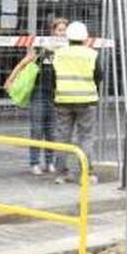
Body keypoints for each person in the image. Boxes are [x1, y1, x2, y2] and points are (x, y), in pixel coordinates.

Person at [4, 17, 67, 175]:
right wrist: (10, 80)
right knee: (37, 130)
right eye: (59, 30)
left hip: (55, 94)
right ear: (52, 31)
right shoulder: (42, 48)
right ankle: (34, 163)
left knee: (52, 131)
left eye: (64, 30)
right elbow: (24, 62)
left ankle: (50, 162)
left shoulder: (66, 50)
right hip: (38, 93)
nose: (62, 33)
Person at [52, 20, 102, 184]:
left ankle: (60, 173)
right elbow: (99, 76)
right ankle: (86, 174)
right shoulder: (92, 54)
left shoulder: (59, 54)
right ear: (85, 38)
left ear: (68, 37)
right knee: (86, 138)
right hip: (87, 101)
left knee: (62, 137)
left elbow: (53, 78)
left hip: (63, 100)